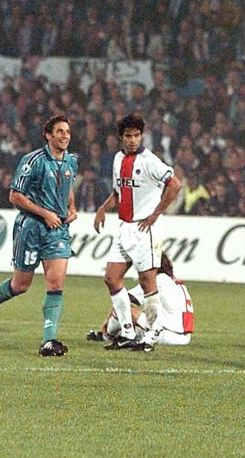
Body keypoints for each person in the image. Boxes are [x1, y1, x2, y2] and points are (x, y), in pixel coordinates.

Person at [0, 115, 78, 356]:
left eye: (67, 132)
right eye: (60, 131)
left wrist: (71, 208)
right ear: (48, 135)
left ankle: (49, 341)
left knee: (56, 283)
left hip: (58, 230)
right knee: (21, 285)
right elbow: (15, 196)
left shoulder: (72, 162)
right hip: (31, 227)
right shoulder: (32, 161)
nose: (65, 136)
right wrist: (45, 213)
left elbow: (68, 186)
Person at [93, 113, 182, 352]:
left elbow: (175, 184)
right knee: (111, 278)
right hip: (124, 227)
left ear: (141, 136)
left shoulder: (150, 160)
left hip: (146, 229)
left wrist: (156, 214)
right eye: (128, 136)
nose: (132, 140)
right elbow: (118, 191)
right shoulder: (117, 159)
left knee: (147, 282)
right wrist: (102, 209)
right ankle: (127, 332)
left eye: (136, 135)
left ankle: (151, 335)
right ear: (121, 138)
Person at [87, 253, 194, 346]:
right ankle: (114, 335)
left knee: (124, 309)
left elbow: (125, 300)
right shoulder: (173, 280)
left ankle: (106, 335)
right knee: (134, 322)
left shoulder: (159, 280)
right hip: (183, 336)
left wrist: (105, 323)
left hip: (168, 334)